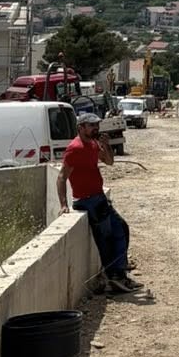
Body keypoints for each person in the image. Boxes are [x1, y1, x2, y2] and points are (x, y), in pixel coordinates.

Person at [57, 116, 138, 294]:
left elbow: (109, 161)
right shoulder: (75, 149)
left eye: (97, 125)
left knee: (121, 228)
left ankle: (120, 274)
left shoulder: (93, 144)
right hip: (87, 200)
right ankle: (114, 277)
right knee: (106, 239)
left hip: (99, 198)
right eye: (91, 126)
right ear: (80, 127)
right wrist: (63, 204)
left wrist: (107, 145)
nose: (95, 128)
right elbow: (62, 177)